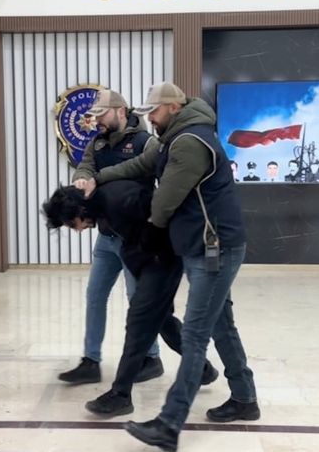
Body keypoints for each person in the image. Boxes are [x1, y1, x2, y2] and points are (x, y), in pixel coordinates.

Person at [78, 82, 259, 451]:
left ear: (174, 107)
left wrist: (144, 234)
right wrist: (97, 178)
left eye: (154, 111)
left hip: (213, 246)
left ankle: (170, 423)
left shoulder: (190, 142)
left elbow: (164, 202)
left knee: (194, 334)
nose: (150, 118)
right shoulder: (171, 138)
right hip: (200, 244)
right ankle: (244, 398)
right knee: (221, 325)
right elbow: (139, 164)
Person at [42, 182, 219, 417]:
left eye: (72, 224)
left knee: (138, 322)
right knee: (162, 321)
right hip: (156, 260)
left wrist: (150, 280)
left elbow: (153, 232)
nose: (77, 230)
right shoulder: (105, 207)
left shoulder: (118, 202)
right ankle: (203, 369)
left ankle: (120, 395)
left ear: (79, 211)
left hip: (162, 259)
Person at [58, 88, 164, 385]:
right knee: (95, 296)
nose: (96, 121)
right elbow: (86, 165)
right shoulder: (98, 143)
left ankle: (151, 358)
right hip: (106, 236)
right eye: (94, 116)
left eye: (101, 115)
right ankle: (91, 361)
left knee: (137, 300)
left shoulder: (145, 143)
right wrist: (81, 177)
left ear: (120, 111)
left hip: (135, 238)